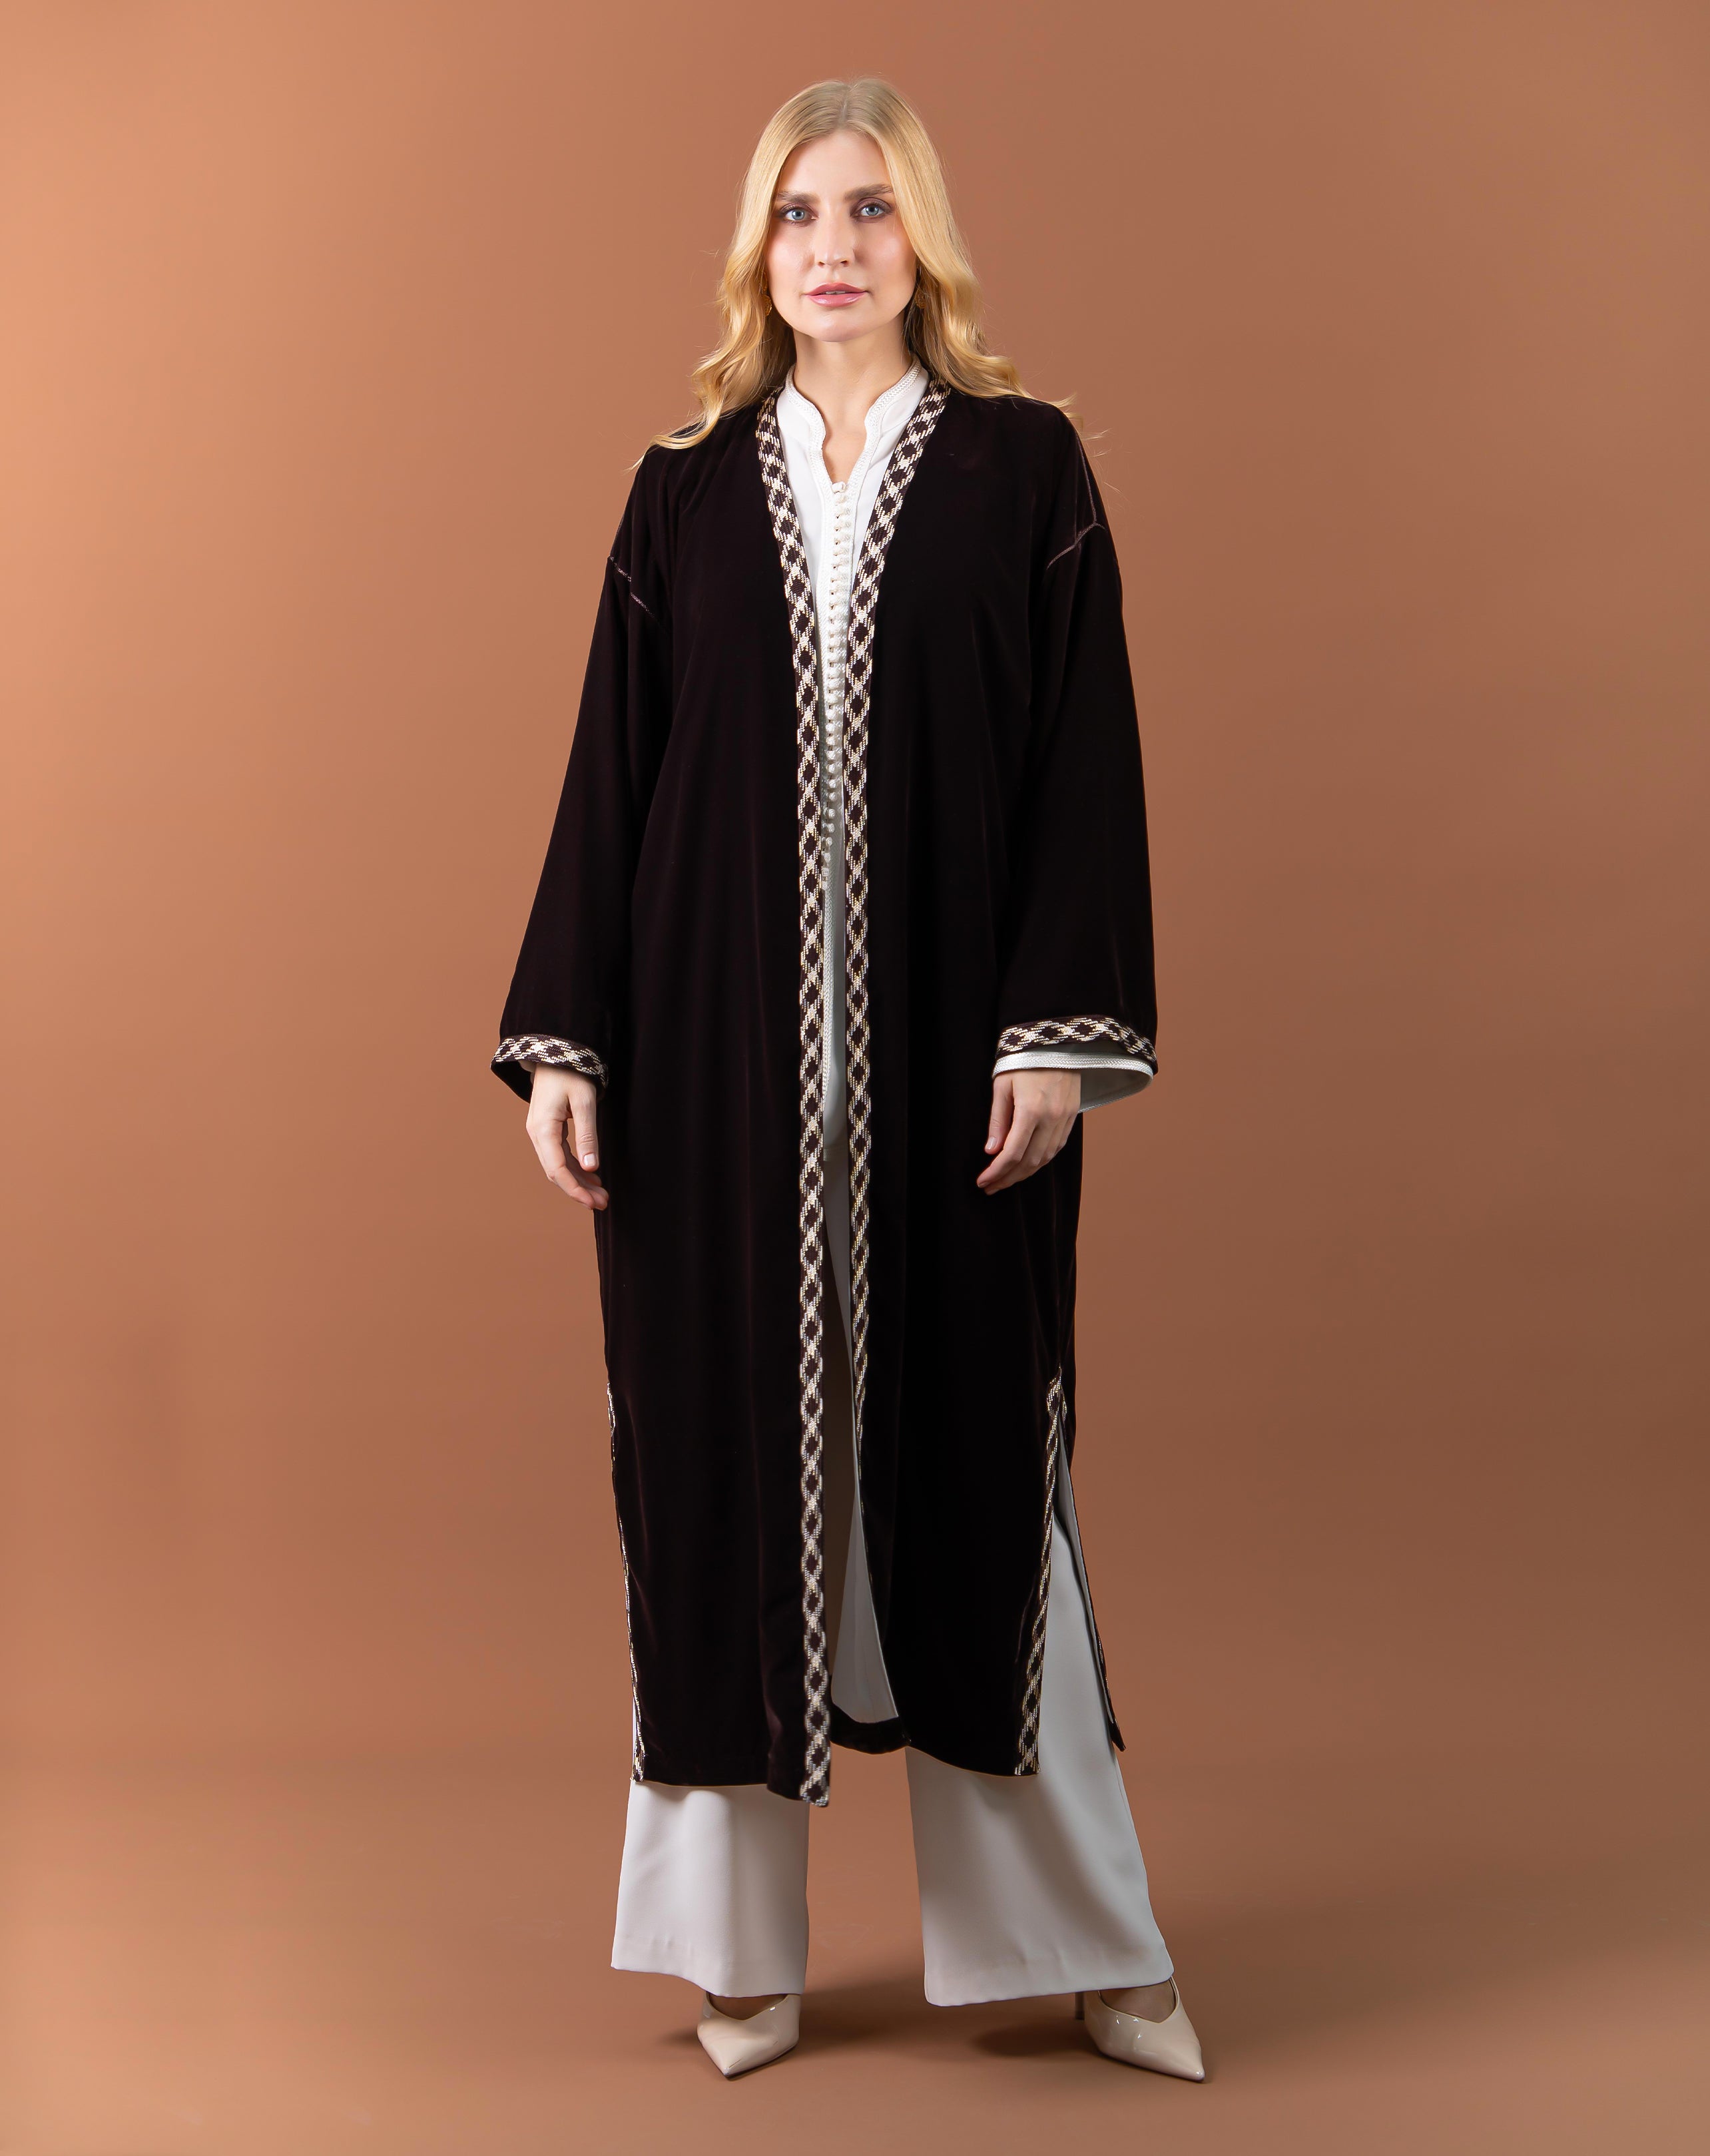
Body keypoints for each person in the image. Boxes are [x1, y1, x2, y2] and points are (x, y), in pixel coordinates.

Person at [491, 76, 1205, 2083]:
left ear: (924, 241)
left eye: (872, 209)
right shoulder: (683, 489)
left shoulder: (1025, 471)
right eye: (801, 211)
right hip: (711, 1086)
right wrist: (571, 1041)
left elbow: (1085, 765)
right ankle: (742, 1960)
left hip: (953, 1080)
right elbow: (613, 776)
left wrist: (1053, 1031)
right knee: (719, 1481)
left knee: (984, 1481)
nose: (834, 246)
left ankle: (1094, 1947)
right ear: (760, 246)